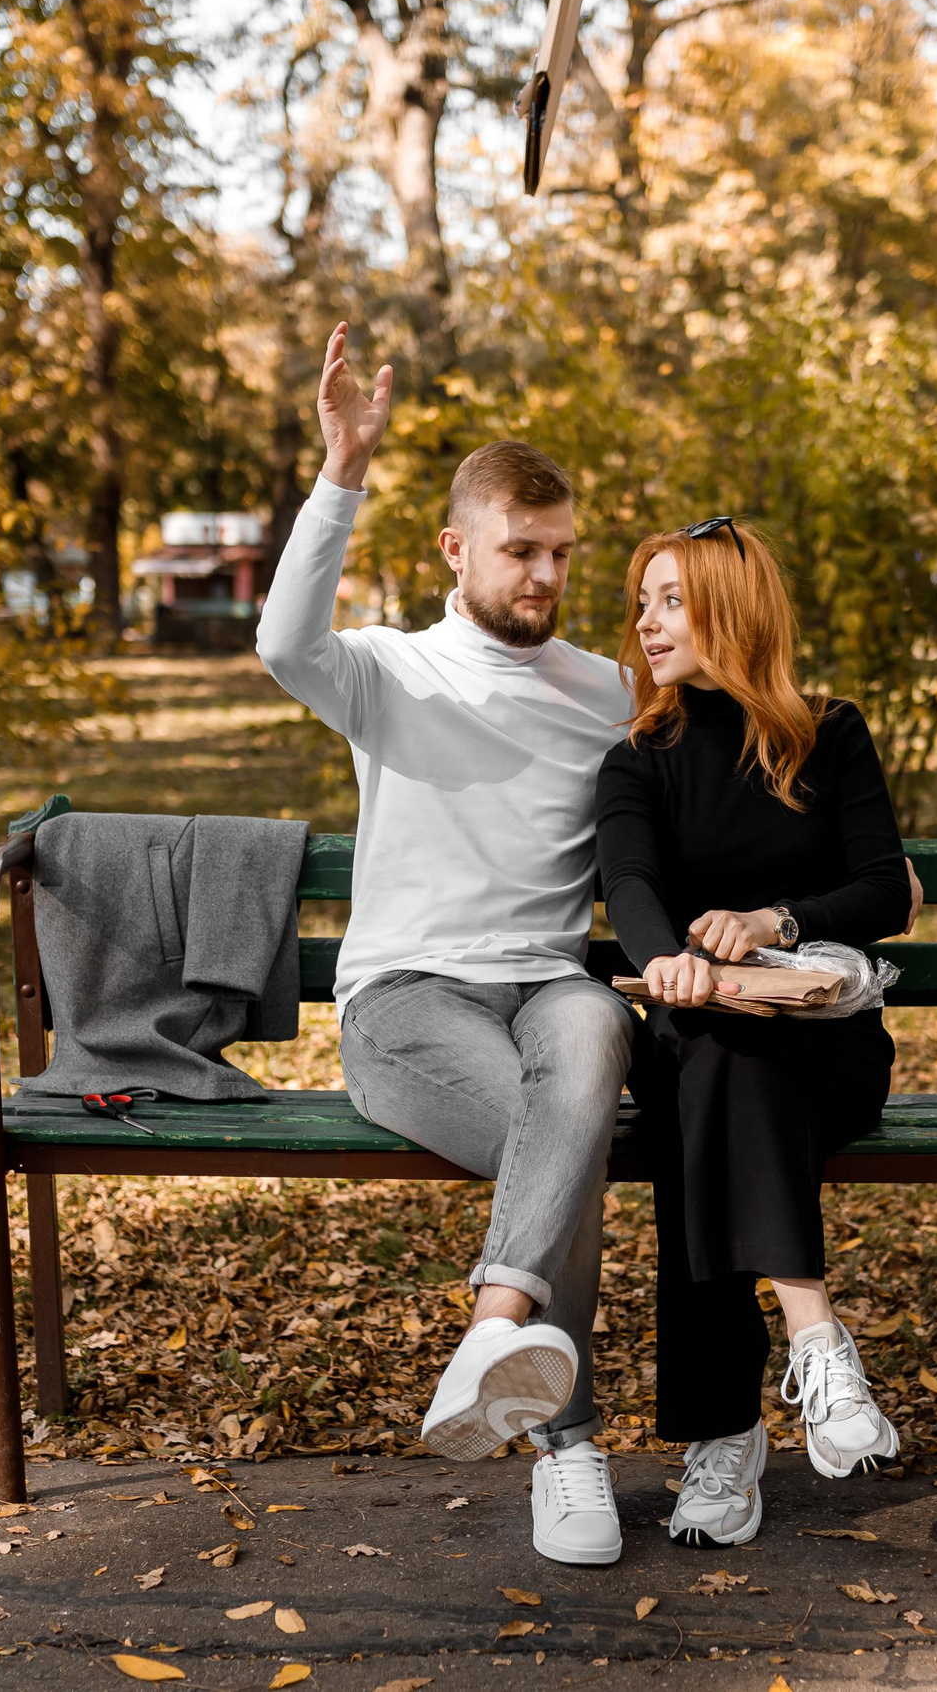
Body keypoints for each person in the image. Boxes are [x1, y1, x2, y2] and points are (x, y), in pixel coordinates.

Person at [255, 324, 636, 1566]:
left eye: (561, 552)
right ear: (455, 550)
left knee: (596, 1024)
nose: (544, 575)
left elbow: (704, 802)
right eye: (520, 550)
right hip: (407, 1001)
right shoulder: (387, 672)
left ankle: (490, 1336)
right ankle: (569, 1447)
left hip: (548, 991)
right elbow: (281, 646)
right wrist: (342, 471)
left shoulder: (607, 693)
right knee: (564, 1140)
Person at [595, 517, 912, 1550]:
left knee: (708, 1101)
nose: (646, 622)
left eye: (671, 600)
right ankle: (816, 1341)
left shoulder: (830, 732)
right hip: (698, 1030)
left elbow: (883, 888)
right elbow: (628, 881)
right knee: (713, 1057)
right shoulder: (639, 757)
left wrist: (777, 921)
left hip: (828, 1048)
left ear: (731, 610)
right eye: (642, 602)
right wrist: (670, 962)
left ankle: (723, 1433)